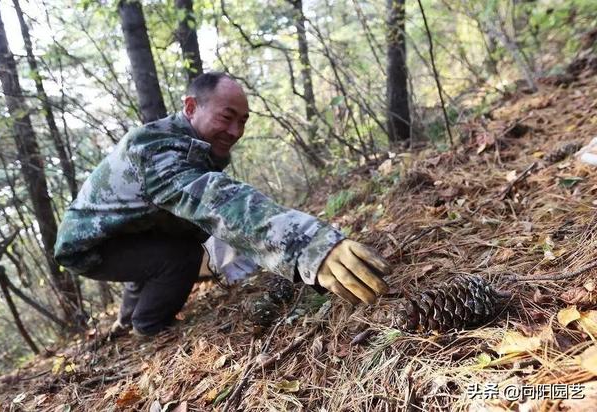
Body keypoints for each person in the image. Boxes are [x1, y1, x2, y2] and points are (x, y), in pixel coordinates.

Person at [54, 72, 391, 337]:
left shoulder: (190, 144)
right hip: (90, 246)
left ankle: (128, 319)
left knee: (179, 238)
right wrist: (313, 246)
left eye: (243, 121)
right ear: (190, 107)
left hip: (125, 232)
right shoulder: (154, 151)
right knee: (180, 255)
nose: (235, 131)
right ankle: (148, 326)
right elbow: (217, 199)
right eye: (226, 117)